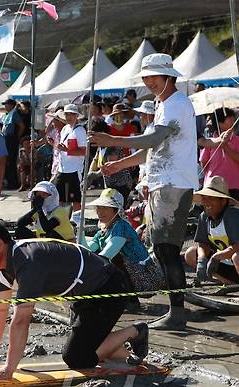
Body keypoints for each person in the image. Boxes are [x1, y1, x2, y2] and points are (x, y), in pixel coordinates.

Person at [0, 218, 149, 381]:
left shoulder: (28, 261)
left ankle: (136, 331)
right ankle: (131, 356)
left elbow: (21, 319)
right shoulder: (2, 265)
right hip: (82, 294)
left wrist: (8, 369)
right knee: (88, 345)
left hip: (108, 288)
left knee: (77, 358)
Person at [90, 53, 198, 330]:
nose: (148, 82)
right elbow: (150, 150)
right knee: (162, 249)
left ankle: (177, 314)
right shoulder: (164, 105)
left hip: (173, 183)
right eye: (146, 77)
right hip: (162, 182)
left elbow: (152, 139)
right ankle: (176, 310)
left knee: (167, 249)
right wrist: (119, 165)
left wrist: (113, 139)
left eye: (153, 77)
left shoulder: (176, 104)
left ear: (168, 77)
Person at [79, 188, 165, 294]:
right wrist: (80, 231)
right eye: (99, 207)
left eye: (105, 208)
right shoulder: (104, 229)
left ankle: (129, 299)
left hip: (145, 278)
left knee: (113, 259)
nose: (100, 212)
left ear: (116, 210)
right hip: (132, 274)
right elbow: (87, 250)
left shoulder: (121, 227)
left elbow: (106, 255)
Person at [185, 176, 239, 285]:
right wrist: (201, 259)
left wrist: (217, 257)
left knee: (237, 256)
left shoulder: (232, 215)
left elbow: (237, 245)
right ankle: (229, 283)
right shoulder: (204, 217)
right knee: (190, 253)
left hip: (234, 259)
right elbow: (203, 244)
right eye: (204, 197)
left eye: (211, 198)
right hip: (225, 264)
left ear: (223, 201)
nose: (206, 202)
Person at [87, 119, 134, 205]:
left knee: (116, 210)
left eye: (92, 135)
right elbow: (95, 160)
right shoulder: (100, 146)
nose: (90, 138)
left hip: (121, 185)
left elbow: (111, 167)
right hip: (110, 184)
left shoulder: (112, 147)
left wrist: (94, 175)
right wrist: (88, 175)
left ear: (101, 133)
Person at [198, 108, 239, 201]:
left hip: (234, 186)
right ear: (220, 123)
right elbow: (204, 162)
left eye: (233, 118)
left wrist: (225, 147)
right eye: (230, 119)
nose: (233, 121)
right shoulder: (209, 142)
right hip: (213, 186)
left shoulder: (237, 140)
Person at [54, 104, 87, 213]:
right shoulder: (65, 128)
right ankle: (62, 221)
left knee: (75, 199)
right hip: (62, 169)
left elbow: (84, 151)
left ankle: (77, 222)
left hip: (74, 169)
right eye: (67, 114)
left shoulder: (80, 131)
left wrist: (66, 150)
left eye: (71, 114)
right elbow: (65, 148)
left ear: (76, 115)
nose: (69, 117)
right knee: (60, 198)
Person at [0, 98, 24, 190]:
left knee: (11, 161)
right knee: (7, 161)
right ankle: (10, 181)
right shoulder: (8, 114)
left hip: (11, 139)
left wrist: (17, 136)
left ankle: (13, 183)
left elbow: (21, 126)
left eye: (6, 104)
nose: (5, 106)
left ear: (11, 105)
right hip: (6, 139)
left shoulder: (14, 113)